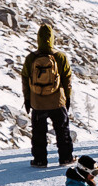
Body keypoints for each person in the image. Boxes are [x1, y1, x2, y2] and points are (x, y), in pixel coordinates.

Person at [23, 23, 75, 168]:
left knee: (39, 132)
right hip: (57, 101)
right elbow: (67, 79)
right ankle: (66, 158)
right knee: (62, 130)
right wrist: (67, 97)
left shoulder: (31, 58)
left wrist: (27, 99)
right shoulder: (60, 57)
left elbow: (25, 79)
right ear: (52, 38)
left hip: (38, 103)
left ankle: (40, 160)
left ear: (38, 39)